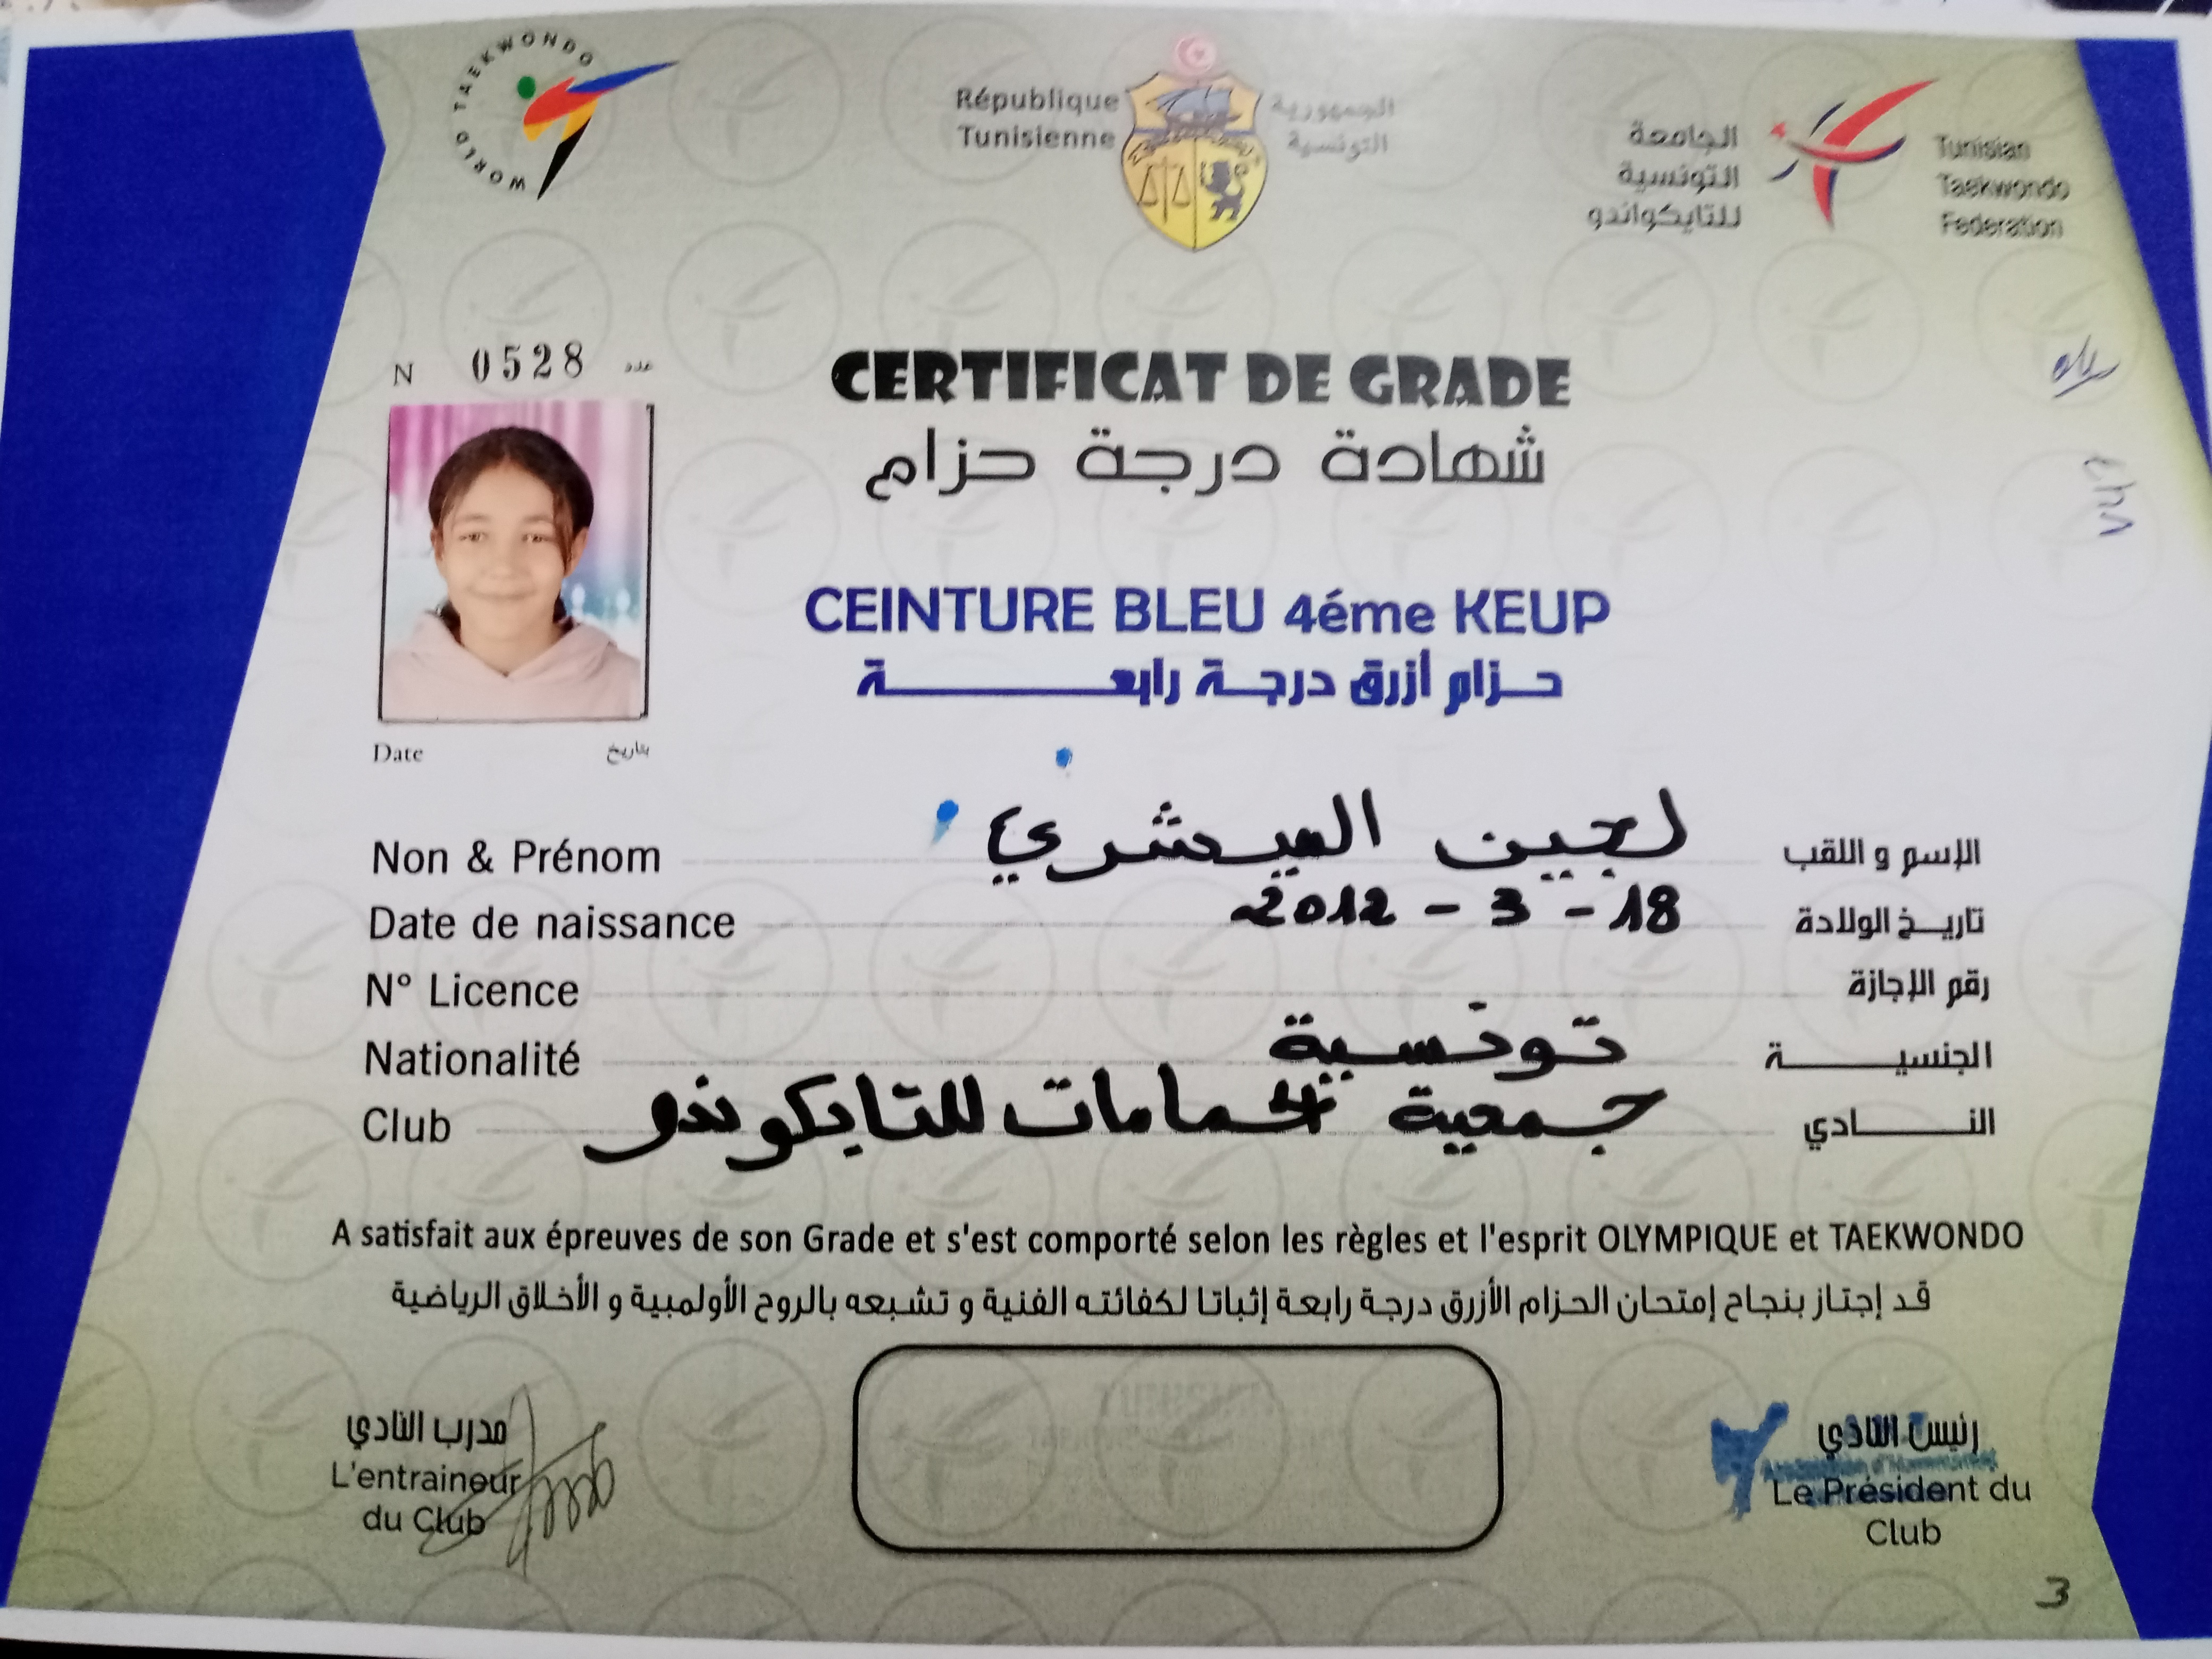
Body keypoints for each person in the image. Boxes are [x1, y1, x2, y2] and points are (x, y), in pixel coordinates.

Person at [381, 425, 643, 720]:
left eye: (535, 538)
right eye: (475, 536)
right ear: (440, 550)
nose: (504, 567)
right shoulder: (385, 690)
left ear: (574, 551)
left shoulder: (634, 692)